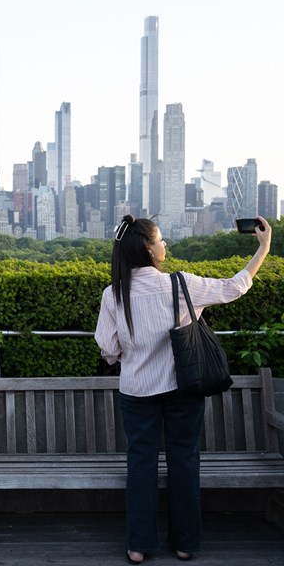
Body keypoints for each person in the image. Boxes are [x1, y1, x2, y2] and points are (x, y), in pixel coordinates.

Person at [95, 215, 271, 564]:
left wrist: (131, 354)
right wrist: (264, 247)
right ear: (148, 249)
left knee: (140, 464)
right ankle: (185, 543)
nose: (165, 246)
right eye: (160, 240)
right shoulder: (180, 285)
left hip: (136, 390)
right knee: (184, 461)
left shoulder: (113, 293)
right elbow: (235, 286)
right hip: (183, 387)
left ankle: (138, 546)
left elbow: (108, 349)